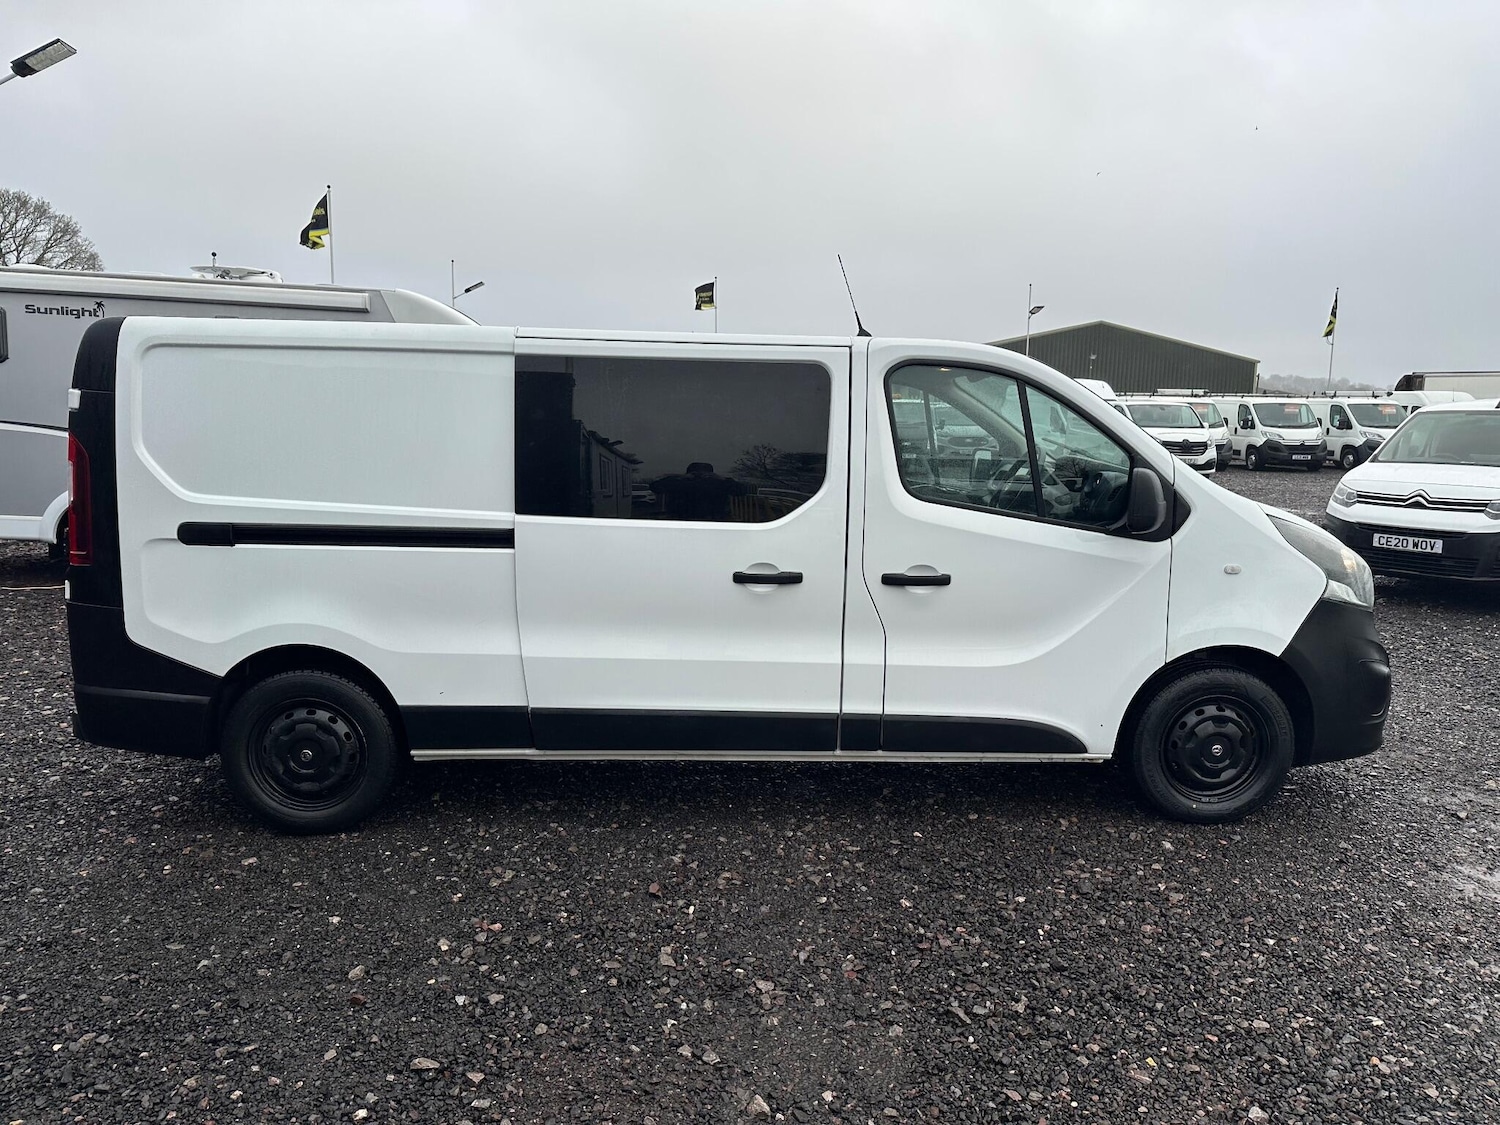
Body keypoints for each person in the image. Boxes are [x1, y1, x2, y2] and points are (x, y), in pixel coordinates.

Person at [649, 462, 748, 521]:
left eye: (703, 474)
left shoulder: (677, 483)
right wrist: (722, 479)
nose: (700, 477)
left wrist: (676, 477)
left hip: (682, 524)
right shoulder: (720, 484)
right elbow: (742, 491)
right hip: (709, 524)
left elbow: (655, 487)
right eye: (697, 474)